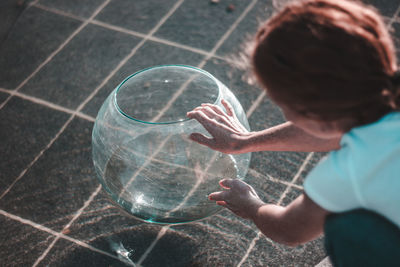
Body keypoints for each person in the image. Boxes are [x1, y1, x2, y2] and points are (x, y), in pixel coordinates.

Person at [186, 0, 400, 261]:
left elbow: (290, 230)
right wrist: (244, 141)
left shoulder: (349, 171)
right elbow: (341, 128)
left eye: (281, 105)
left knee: (348, 230)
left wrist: (252, 207)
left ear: (313, 115)